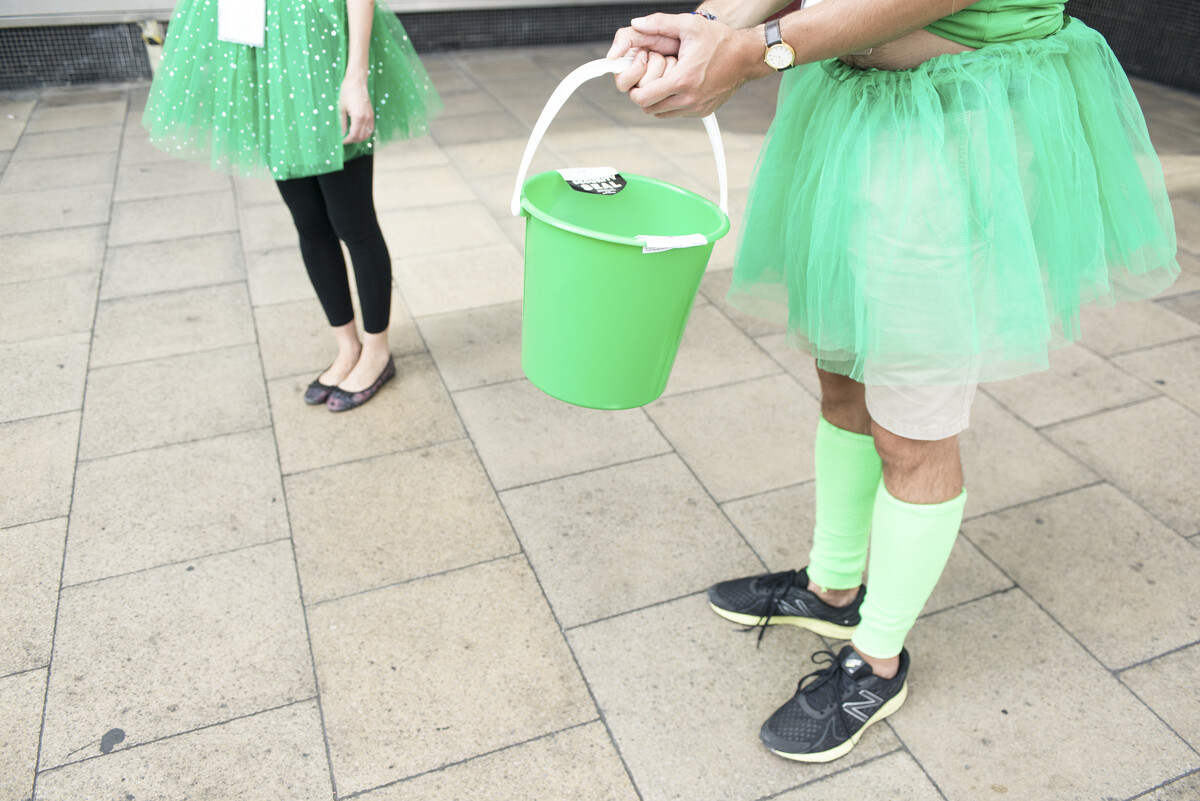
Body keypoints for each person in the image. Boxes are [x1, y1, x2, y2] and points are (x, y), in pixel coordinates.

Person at [609, 0, 1178, 763]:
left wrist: (753, 50)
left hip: (956, 124)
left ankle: (878, 660)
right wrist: (709, 23)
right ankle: (833, 587)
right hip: (852, 105)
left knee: (912, 422)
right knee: (841, 373)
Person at [143, 0, 442, 411]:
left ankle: (377, 352)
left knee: (352, 222)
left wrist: (355, 76)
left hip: (321, 51)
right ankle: (347, 347)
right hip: (262, 55)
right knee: (309, 222)